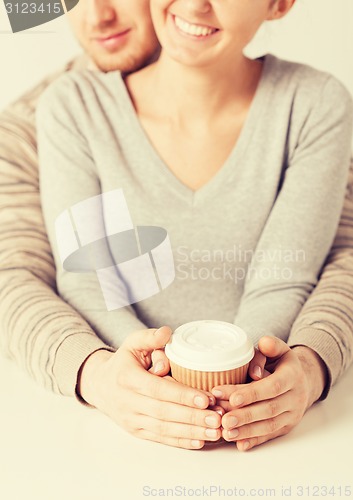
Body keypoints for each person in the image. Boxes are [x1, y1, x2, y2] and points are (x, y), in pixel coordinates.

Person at [0, 0, 352, 452]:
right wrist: (106, 377)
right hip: (114, 434)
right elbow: (21, 280)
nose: (97, 16)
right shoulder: (55, 113)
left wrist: (302, 366)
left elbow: (325, 259)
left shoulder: (311, 104)